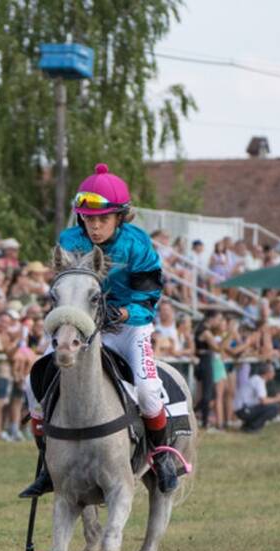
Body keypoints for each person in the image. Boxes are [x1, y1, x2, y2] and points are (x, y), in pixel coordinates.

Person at [21, 163, 179, 498]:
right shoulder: (70, 241)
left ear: (120, 217)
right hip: (82, 328)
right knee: (33, 385)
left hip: (128, 328)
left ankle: (162, 455)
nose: (94, 226)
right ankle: (47, 465)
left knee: (149, 392)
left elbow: (150, 296)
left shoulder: (138, 245)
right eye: (88, 219)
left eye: (102, 219)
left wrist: (122, 311)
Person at [235, 363, 280, 432]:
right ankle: (253, 427)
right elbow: (263, 401)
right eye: (273, 372)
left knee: (269, 406)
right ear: (267, 373)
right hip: (243, 410)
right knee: (274, 408)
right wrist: (277, 399)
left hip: (242, 408)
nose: (274, 374)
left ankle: (247, 425)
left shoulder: (257, 379)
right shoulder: (259, 381)